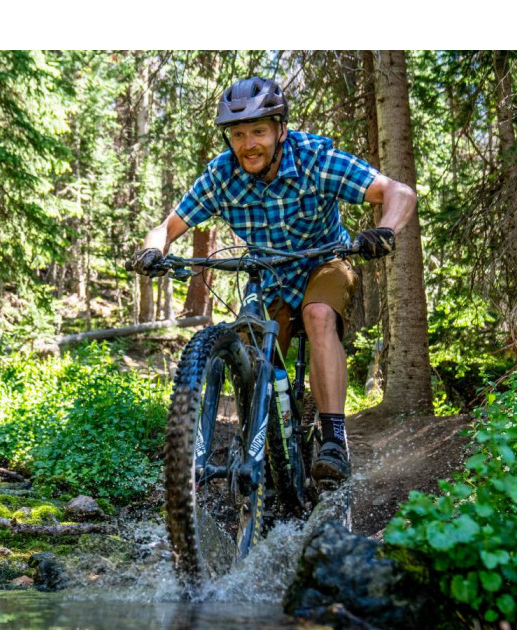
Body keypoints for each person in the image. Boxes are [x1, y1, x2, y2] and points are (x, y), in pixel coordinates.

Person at [132, 76, 417, 482]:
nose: (248, 144)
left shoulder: (314, 159)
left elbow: (399, 192)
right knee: (255, 349)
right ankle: (263, 445)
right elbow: (167, 227)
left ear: (281, 130)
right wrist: (152, 251)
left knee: (318, 315)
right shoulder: (221, 175)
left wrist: (385, 230)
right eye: (238, 133)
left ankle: (335, 439)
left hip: (325, 260)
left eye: (259, 131)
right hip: (267, 273)